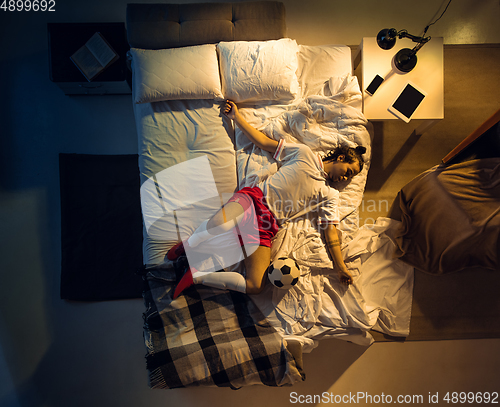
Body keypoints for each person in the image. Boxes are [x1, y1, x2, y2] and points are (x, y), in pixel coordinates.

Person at [168, 100, 366, 299]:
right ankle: (189, 245)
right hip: (253, 201)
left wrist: (341, 267)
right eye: (348, 172)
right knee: (218, 226)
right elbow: (263, 143)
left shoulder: (330, 194)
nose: (345, 178)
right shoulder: (304, 154)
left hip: (266, 224)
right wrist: (236, 118)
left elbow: (331, 232)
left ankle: (197, 277)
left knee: (256, 285)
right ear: (340, 158)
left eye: (349, 178)